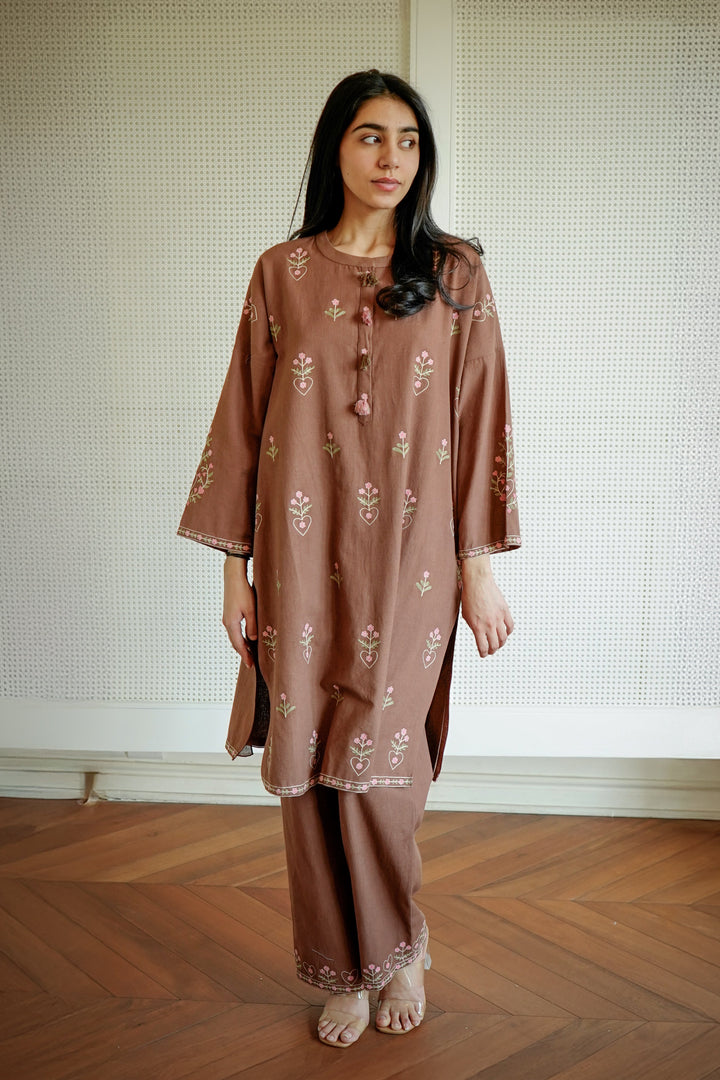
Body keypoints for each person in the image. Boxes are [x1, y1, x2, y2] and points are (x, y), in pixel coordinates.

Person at [178, 69, 520, 1048]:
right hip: (297, 554)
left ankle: (399, 943)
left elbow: (480, 420)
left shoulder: (456, 274)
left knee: (379, 769)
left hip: (411, 565)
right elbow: (243, 419)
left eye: (408, 141)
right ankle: (342, 966)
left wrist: (478, 564)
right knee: (315, 765)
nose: (390, 159)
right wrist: (232, 569)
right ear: (336, 147)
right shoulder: (283, 271)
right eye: (371, 137)